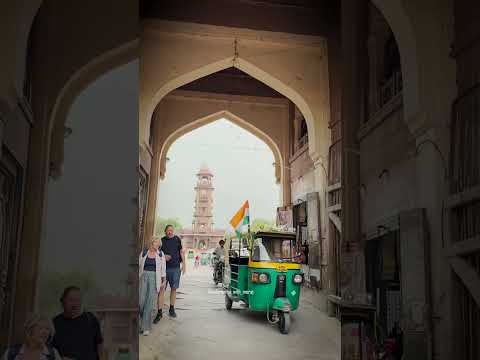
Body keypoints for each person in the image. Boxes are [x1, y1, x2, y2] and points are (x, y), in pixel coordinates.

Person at [51, 286, 104, 360]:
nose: (74, 304)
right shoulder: (54, 323)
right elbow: (49, 350)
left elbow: (100, 345)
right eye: (71, 300)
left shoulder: (91, 319)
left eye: (78, 300)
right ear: (63, 301)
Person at [154, 225, 186, 322]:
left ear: (173, 231)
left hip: (175, 268)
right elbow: (156, 252)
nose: (170, 232)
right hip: (163, 269)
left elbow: (181, 252)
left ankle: (171, 309)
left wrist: (184, 265)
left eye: (171, 230)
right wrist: (164, 257)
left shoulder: (177, 239)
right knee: (161, 289)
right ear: (165, 231)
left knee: (174, 289)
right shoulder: (162, 241)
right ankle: (159, 312)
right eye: (168, 231)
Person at [138, 237, 166, 333]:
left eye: (159, 243)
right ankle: (142, 321)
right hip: (143, 277)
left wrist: (163, 281)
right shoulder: (144, 253)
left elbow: (163, 270)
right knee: (140, 302)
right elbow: (138, 267)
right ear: (152, 242)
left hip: (155, 278)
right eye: (156, 242)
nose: (158, 244)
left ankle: (145, 327)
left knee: (150, 303)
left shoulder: (161, 255)